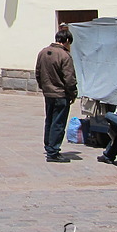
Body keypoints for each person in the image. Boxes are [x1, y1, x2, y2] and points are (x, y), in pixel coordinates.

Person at [35, 29, 78, 163]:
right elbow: (69, 78)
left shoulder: (43, 53)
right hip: (61, 94)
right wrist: (73, 93)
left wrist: (44, 87)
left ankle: (49, 145)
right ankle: (53, 151)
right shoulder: (65, 56)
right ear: (66, 41)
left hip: (48, 92)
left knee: (49, 120)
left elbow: (38, 73)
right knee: (58, 123)